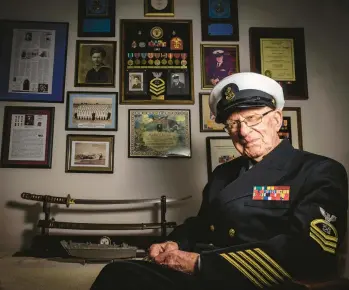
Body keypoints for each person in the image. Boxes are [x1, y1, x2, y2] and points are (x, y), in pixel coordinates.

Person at [90, 72, 348, 290]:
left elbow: (311, 254)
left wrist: (198, 264)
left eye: (252, 118)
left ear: (277, 120)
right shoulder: (224, 173)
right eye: (233, 124)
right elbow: (202, 224)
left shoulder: (319, 171)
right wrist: (175, 243)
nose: (244, 133)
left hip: (259, 281)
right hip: (208, 274)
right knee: (118, 274)